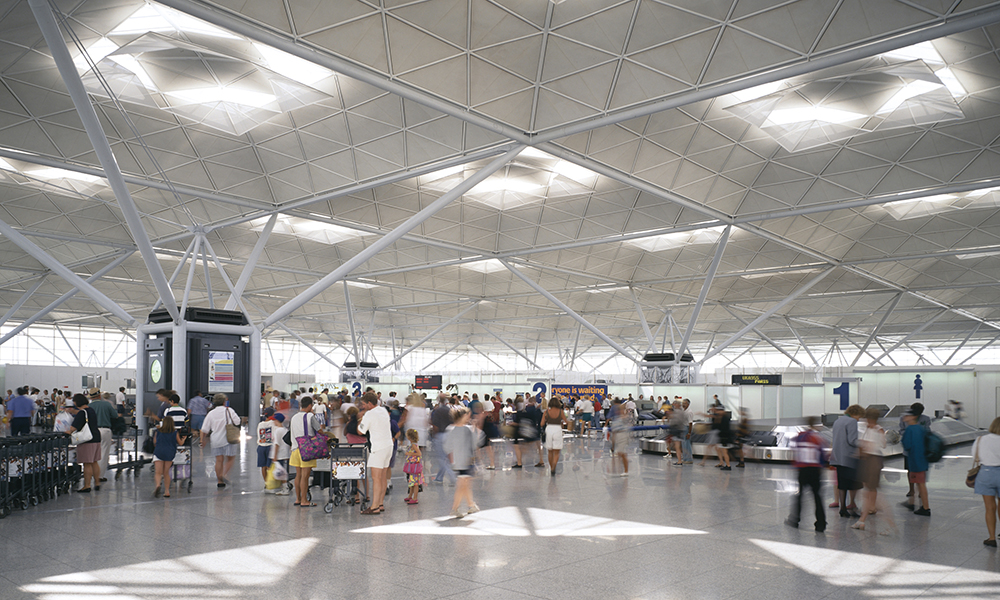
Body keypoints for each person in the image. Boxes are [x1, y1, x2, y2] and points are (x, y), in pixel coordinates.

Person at [852, 407, 896, 534]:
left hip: (872, 461)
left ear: (870, 419)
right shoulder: (872, 429)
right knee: (867, 492)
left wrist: (863, 446)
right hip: (869, 461)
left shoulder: (876, 430)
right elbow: (883, 444)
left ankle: (889, 523)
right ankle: (863, 519)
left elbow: (877, 445)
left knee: (873, 495)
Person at [785, 416, 828, 533]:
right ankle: (821, 523)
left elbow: (795, 453)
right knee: (817, 497)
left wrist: (796, 466)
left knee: (800, 496)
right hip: (815, 470)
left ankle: (794, 520)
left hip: (803, 470)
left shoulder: (799, 437)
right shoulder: (818, 438)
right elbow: (822, 456)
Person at [358, 392, 393, 515]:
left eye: (363, 404)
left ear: (369, 403)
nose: (362, 406)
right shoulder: (383, 410)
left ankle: (374, 507)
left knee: (376, 478)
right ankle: (380, 503)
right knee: (382, 477)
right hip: (388, 446)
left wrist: (361, 418)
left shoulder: (369, 414)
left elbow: (361, 431)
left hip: (378, 448)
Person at [200, 393, 240, 489]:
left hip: (216, 440)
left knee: (219, 460)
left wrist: (202, 440)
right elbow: (237, 421)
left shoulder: (211, 413)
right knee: (230, 458)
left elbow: (204, 429)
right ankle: (225, 474)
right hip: (229, 439)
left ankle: (220, 481)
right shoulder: (229, 410)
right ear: (224, 401)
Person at [831, 404, 865, 518]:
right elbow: (852, 440)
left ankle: (842, 508)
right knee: (854, 483)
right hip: (849, 457)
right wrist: (864, 444)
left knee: (842, 484)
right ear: (856, 413)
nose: (858, 419)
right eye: (859, 416)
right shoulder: (851, 422)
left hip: (837, 457)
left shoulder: (838, 421)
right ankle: (852, 506)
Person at [971, 417, 1000, 547]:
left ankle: (992, 538)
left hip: (985, 473)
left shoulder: (980, 439)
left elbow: (975, 456)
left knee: (989, 507)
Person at [447, 407, 480, 518]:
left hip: (458, 461)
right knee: (462, 485)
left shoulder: (450, 429)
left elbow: (447, 447)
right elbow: (475, 443)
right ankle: (454, 508)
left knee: (465, 484)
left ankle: (471, 505)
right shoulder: (468, 429)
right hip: (465, 461)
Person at [289, 396, 322, 506]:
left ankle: (297, 499)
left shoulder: (293, 417)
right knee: (305, 476)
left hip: (295, 449)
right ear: (309, 406)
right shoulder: (310, 416)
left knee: (298, 475)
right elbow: (319, 429)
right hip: (306, 449)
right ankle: (304, 500)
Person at [67, 393, 102, 492]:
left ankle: (87, 485)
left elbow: (73, 428)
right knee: (94, 462)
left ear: (76, 402)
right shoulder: (91, 410)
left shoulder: (82, 413)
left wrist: (68, 431)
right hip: (96, 437)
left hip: (87, 440)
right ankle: (97, 483)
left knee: (87, 463)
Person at [899, 402, 932, 503]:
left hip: (919, 451)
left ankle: (920, 492)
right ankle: (912, 489)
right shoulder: (905, 419)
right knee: (910, 470)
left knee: (920, 473)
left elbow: (928, 432)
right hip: (911, 453)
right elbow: (901, 430)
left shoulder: (925, 419)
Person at [152, 416, 186, 498]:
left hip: (159, 451)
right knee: (166, 472)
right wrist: (184, 439)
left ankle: (157, 485)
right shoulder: (174, 432)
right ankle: (167, 491)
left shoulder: (158, 431)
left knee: (158, 472)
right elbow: (180, 443)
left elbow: (155, 442)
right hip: (169, 453)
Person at [89, 387, 117, 483]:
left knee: (93, 453)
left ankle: (91, 473)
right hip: (105, 430)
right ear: (99, 395)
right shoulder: (107, 404)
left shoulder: (89, 406)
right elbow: (115, 415)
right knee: (104, 453)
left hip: (93, 431)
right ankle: (99, 476)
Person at [431, 395, 456, 484]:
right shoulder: (450, 411)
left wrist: (434, 435)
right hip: (449, 434)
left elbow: (435, 425)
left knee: (441, 458)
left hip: (440, 435)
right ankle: (439, 478)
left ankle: (452, 477)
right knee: (446, 457)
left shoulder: (437, 411)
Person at [541, 397, 567, 476]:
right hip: (557, 429)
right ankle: (554, 467)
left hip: (549, 429)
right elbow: (566, 422)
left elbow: (542, 424)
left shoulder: (546, 412)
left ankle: (551, 466)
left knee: (550, 451)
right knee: (557, 451)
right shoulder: (561, 411)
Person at [269, 413, 291, 496]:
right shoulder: (285, 429)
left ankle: (285, 488)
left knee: (281, 473)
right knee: (282, 472)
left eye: (274, 420)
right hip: (284, 453)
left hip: (279, 455)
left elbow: (276, 444)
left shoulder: (278, 430)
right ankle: (284, 487)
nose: (273, 421)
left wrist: (274, 456)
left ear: (277, 420)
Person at [257, 408, 278, 488]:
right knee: (270, 466)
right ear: (272, 415)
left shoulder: (260, 424)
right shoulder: (273, 423)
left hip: (261, 446)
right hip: (270, 446)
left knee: (263, 466)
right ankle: (271, 483)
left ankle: (266, 483)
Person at [610, 399, 632, 477]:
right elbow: (614, 432)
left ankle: (626, 470)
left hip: (622, 435)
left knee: (622, 453)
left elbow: (628, 421)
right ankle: (625, 467)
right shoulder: (616, 419)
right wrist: (613, 443)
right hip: (618, 436)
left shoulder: (623, 418)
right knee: (620, 453)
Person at [404, 429, 423, 505]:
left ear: (409, 437)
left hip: (414, 467)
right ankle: (410, 496)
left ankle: (415, 498)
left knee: (415, 483)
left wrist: (409, 454)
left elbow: (419, 454)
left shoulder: (413, 445)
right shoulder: (413, 444)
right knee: (411, 482)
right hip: (413, 467)